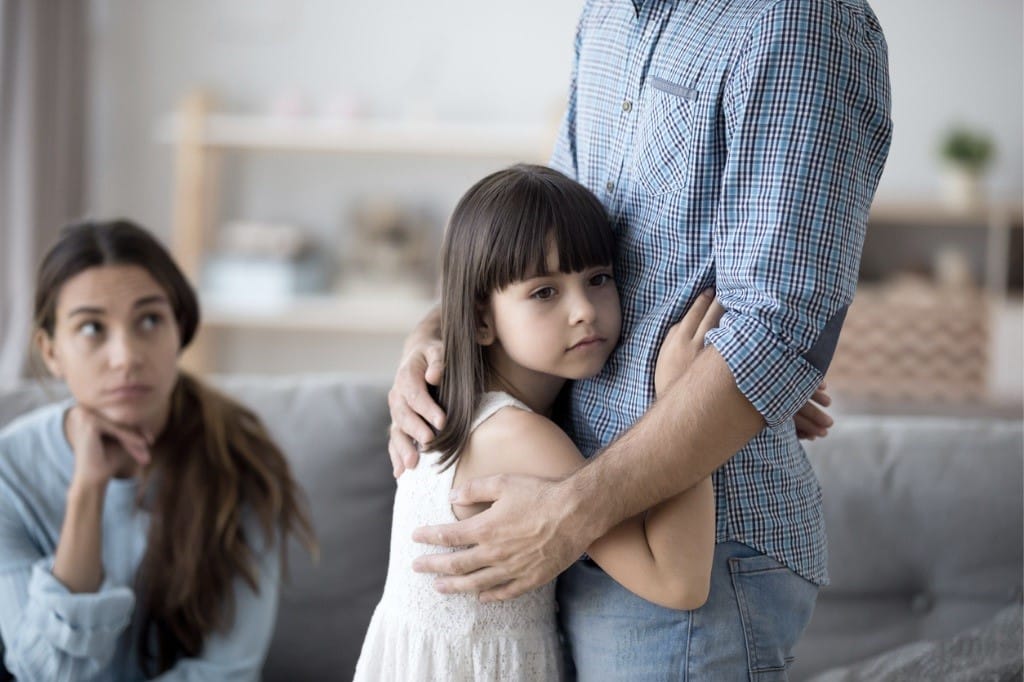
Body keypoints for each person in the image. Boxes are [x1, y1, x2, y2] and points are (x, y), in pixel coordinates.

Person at [389, 0, 893, 678]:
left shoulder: (795, 19)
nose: (582, 312)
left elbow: (776, 331)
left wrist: (573, 510)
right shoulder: (606, 20)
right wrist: (429, 340)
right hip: (580, 524)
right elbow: (548, 241)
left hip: (690, 545)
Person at [355, 164, 721, 681]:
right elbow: (679, 582)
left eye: (598, 279)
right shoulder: (520, 436)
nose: (584, 312)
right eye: (544, 292)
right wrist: (686, 397)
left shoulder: (468, 399)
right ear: (482, 320)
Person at [0, 220, 316, 681]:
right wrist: (88, 489)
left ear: (180, 329)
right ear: (51, 352)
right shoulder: (8, 471)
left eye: (149, 320)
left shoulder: (242, 460)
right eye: (91, 328)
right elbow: (46, 671)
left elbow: (226, 672)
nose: (126, 355)